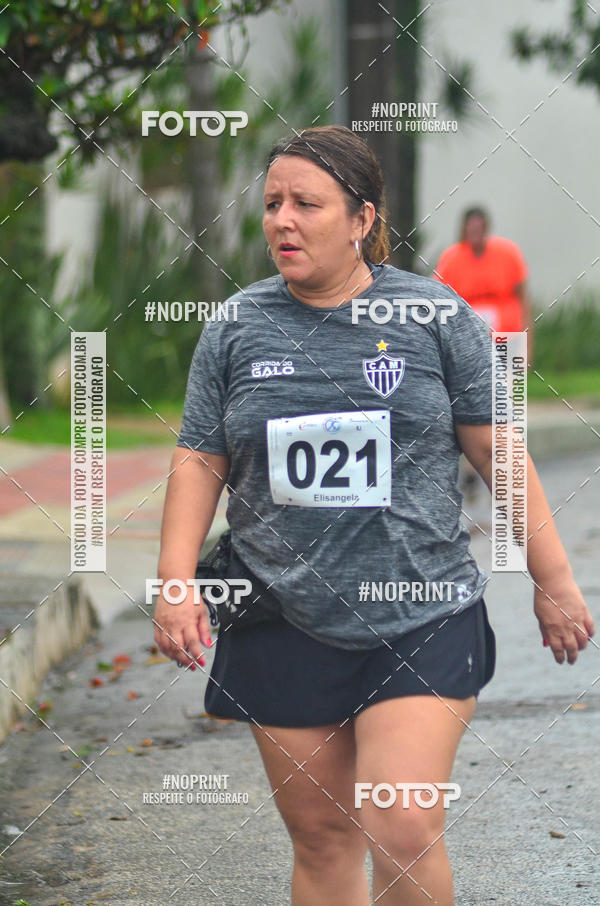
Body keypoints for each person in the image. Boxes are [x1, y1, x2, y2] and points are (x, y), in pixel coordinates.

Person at [153, 126, 594, 906]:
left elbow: (499, 454)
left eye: (306, 204)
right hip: (282, 612)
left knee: (404, 823)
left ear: (362, 219)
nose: (283, 220)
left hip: (422, 609)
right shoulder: (237, 326)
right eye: (272, 204)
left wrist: (552, 579)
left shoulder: (435, 316)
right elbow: (200, 461)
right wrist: (175, 581)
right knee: (323, 838)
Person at [434, 206, 534, 361]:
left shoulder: (508, 253)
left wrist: (527, 343)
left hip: (508, 335)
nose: (476, 234)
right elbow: (439, 299)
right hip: (469, 339)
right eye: (472, 229)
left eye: (479, 229)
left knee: (510, 376)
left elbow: (524, 298)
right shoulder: (451, 258)